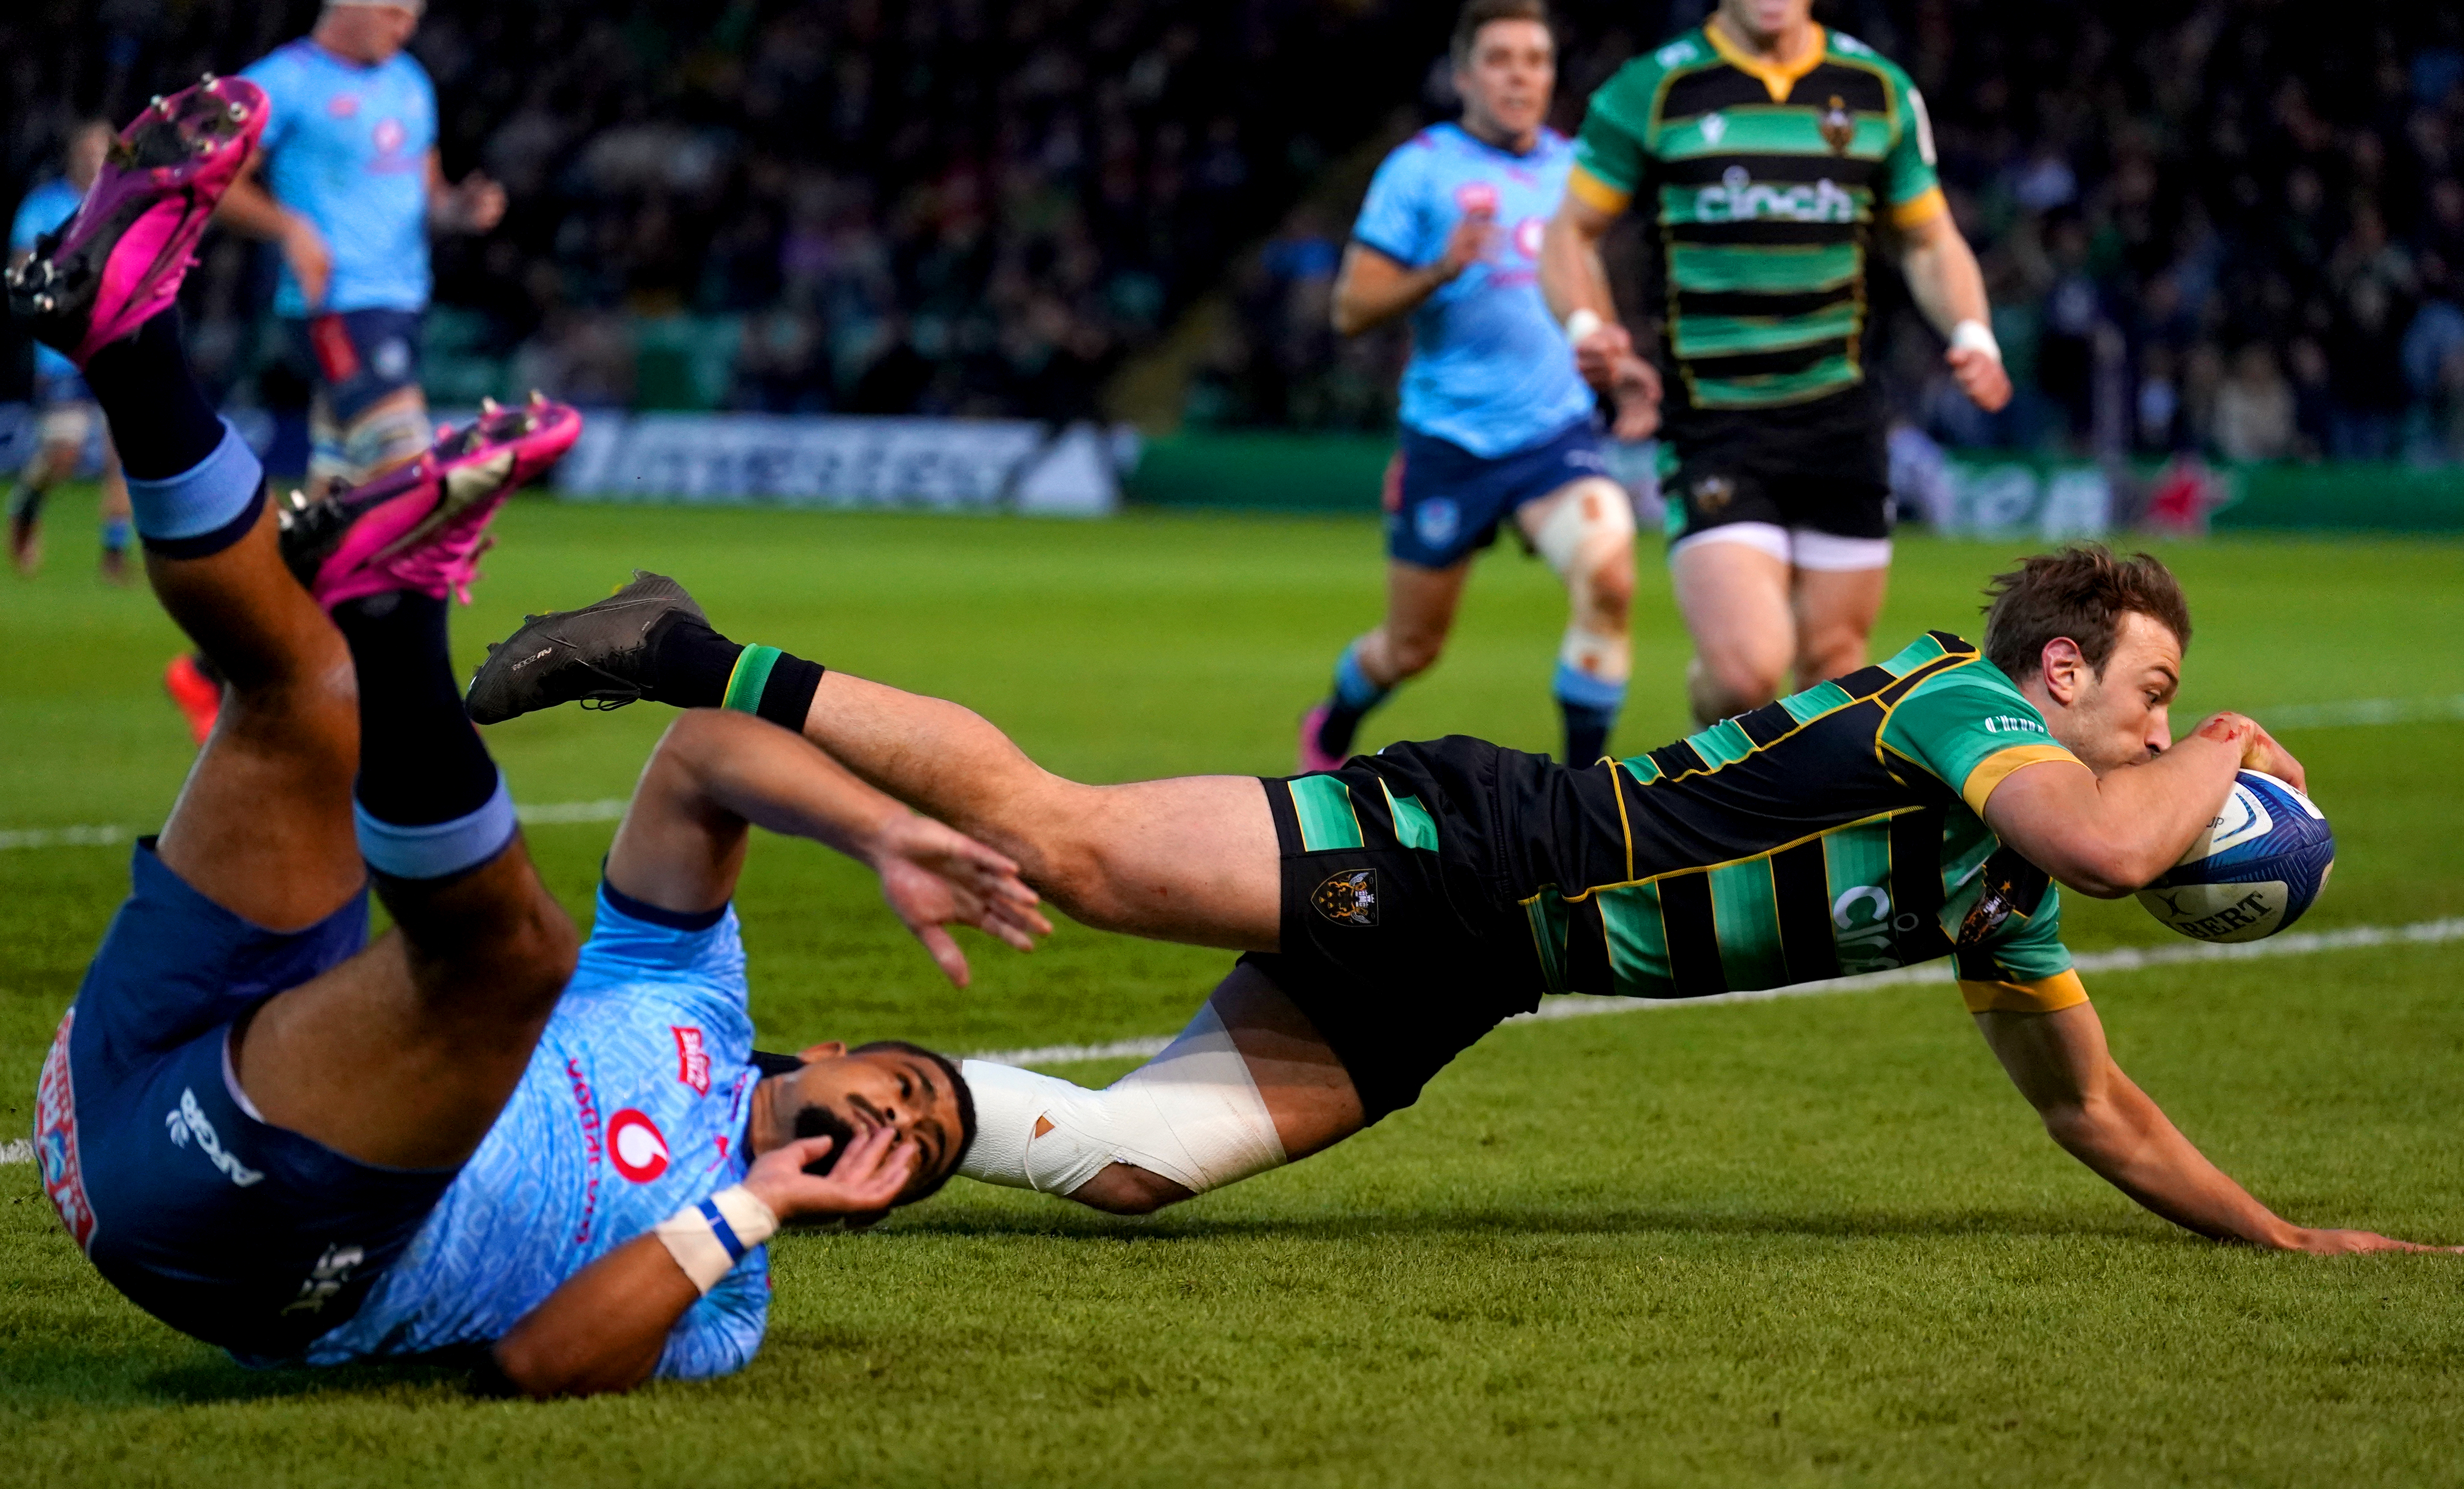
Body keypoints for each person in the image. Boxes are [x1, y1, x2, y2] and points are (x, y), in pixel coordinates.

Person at [472, 549, 2453, 1258]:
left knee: (1132, 1164)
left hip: (1474, 977)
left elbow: (2091, 1110)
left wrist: (2284, 1233)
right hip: (1475, 844)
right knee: (1066, 843)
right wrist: (2239, 759)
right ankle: (689, 651)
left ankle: (791, 1095)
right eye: (2157, 690)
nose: (2174, 729)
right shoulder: (1948, 698)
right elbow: (2124, 841)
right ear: (2059, 678)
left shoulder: (1996, 889)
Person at [11, 84, 1045, 1397]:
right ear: (838, 1048)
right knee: (301, 692)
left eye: (921, 1147)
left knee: (512, 963)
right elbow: (701, 760)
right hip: (145, 1068)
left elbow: (541, 1357)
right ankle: (123, 336)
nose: (903, 1117)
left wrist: (754, 1205)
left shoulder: (724, 1287)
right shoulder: (693, 1004)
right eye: (912, 1088)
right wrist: (881, 824)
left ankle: (399, 612)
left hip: (252, 1234)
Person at [1538, 0, 2013, 729]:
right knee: (1743, 672)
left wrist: (1973, 334)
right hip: (1716, 421)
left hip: (1839, 419)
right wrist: (1587, 324)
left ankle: (1783, 842)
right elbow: (1570, 233)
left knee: (1832, 667)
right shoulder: (1652, 91)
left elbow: (1927, 240)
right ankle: (1706, 767)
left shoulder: (1876, 89)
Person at [1301, 0, 1647, 773]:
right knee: (1410, 648)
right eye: (1499, 59)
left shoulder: (1573, 169)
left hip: (1552, 438)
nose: (1519, 75)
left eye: (1534, 60)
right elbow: (1351, 306)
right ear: (1463, 75)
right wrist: (1439, 270)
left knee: (1609, 574)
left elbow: (1583, 279)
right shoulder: (1418, 170)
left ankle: (1583, 794)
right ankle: (1331, 725)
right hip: (1450, 443)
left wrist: (1614, 363)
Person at [219, 0, 504, 495]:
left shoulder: (410, 81)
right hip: (335, 301)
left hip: (405, 300)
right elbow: (218, 182)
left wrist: (460, 207)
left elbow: (427, 193)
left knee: (339, 483)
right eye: (394, 13)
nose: (407, 28)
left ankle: (294, 568)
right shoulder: (281, 81)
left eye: (414, 17)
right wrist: (289, 227)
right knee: (407, 462)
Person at [7, 120, 133, 582]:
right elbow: (21, 265)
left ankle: (114, 556)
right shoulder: (45, 205)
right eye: (85, 151)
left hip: (115, 337)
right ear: (72, 156)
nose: (93, 160)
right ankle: (27, 504)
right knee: (64, 453)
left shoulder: (124, 204)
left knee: (126, 450)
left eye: (102, 152)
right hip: (63, 348)